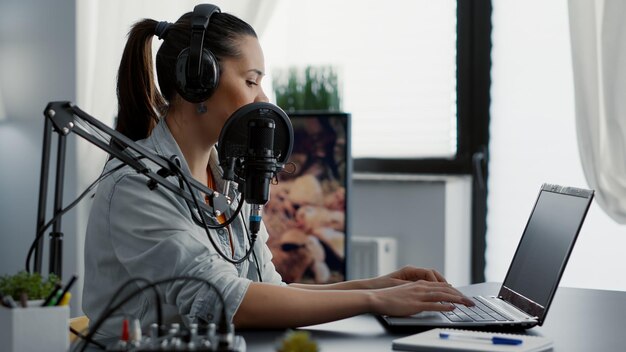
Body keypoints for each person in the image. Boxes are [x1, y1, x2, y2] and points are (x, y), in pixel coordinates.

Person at [82, 4, 473, 339]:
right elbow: (228, 302)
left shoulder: (226, 180)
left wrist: (379, 285)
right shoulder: (137, 186)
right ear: (197, 82)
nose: (263, 99)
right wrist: (374, 300)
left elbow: (265, 289)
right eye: (251, 81)